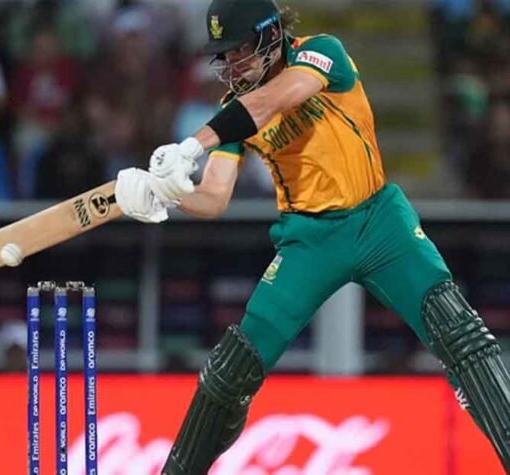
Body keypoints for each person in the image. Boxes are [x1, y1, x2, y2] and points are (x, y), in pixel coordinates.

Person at [113, 0, 510, 473]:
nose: (232, 63)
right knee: (228, 373)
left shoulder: (321, 53)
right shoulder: (233, 112)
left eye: (239, 49)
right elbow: (214, 197)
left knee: (461, 335)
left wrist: (192, 144)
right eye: (226, 54)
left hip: (380, 223)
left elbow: (280, 97)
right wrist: (165, 194)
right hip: (309, 241)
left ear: (269, 34)